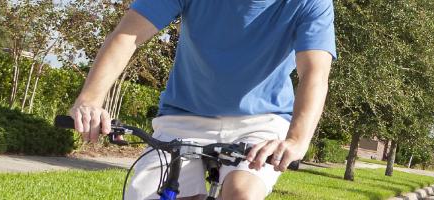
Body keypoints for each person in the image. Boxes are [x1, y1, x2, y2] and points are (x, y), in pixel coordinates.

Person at [66, 0, 335, 199]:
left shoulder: (310, 2)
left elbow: (314, 72)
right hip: (184, 116)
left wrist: (296, 141)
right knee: (147, 193)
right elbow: (128, 35)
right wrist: (90, 99)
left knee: (242, 192)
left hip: (261, 122)